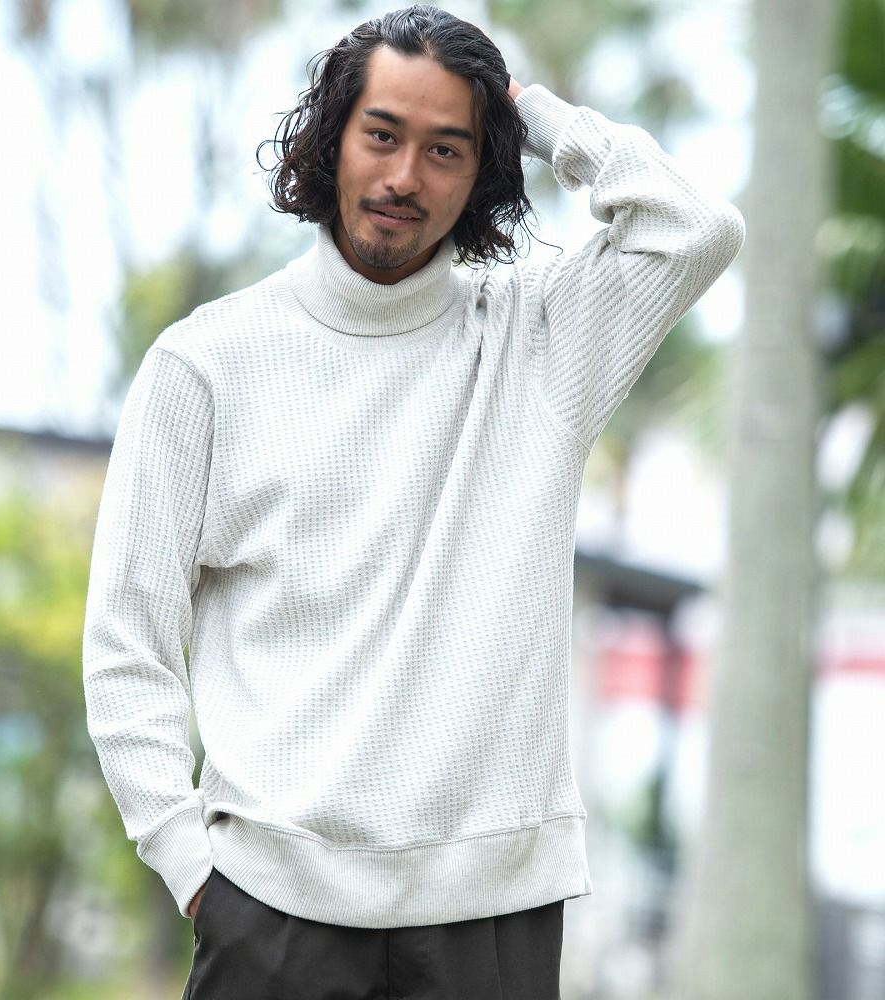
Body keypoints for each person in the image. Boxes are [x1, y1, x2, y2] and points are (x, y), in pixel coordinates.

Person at [82, 5, 745, 998]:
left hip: (491, 915)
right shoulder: (205, 365)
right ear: (331, 138)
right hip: (269, 909)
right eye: (382, 134)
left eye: (446, 149)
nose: (404, 177)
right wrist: (189, 865)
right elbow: (127, 641)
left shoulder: (543, 340)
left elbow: (695, 229)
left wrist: (537, 115)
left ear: (482, 171)